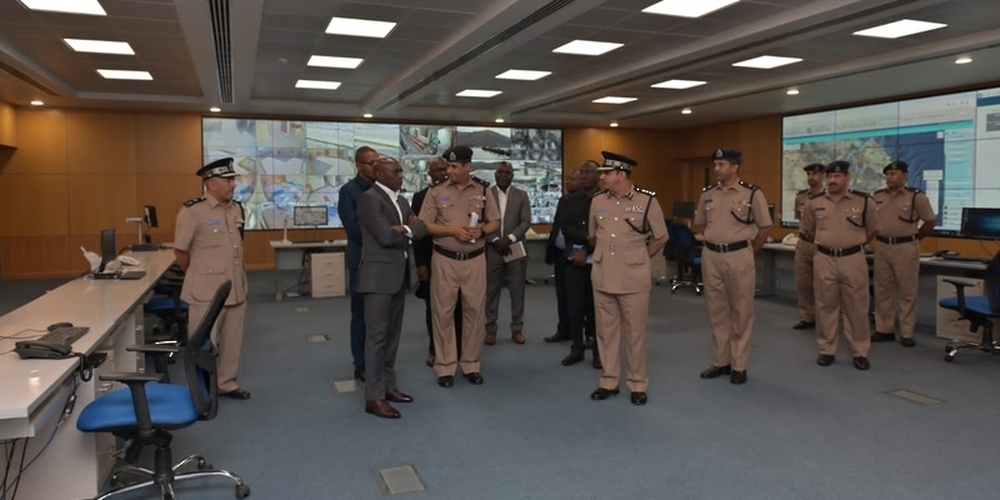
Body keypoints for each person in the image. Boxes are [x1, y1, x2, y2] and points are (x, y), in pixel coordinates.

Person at [588, 151, 668, 406]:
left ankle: (637, 383)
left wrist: (641, 257)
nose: (602, 178)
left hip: (633, 278)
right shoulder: (598, 200)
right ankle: (609, 381)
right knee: (606, 332)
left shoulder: (647, 202)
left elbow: (661, 236)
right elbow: (593, 235)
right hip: (603, 275)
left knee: (635, 333)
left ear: (621, 174)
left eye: (606, 174)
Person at [418, 146, 500, 388]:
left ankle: (471, 364)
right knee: (443, 313)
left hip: (475, 259)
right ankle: (444, 366)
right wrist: (452, 230)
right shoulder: (436, 192)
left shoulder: (483, 189)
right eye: (448, 166)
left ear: (467, 166)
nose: (449, 171)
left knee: (474, 312)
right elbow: (424, 225)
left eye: (454, 167)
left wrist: (482, 230)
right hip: (444, 260)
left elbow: (495, 220)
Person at [694, 148, 773, 385]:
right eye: (715, 164)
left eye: (721, 164)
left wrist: (749, 251)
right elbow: (699, 224)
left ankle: (739, 365)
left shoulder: (751, 193)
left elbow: (765, 228)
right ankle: (721, 361)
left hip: (739, 255)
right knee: (716, 311)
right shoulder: (708, 194)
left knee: (741, 310)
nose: (716, 169)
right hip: (712, 256)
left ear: (734, 166)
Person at [356, 157, 427, 419]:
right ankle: (373, 397)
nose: (401, 175)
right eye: (395, 172)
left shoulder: (401, 200)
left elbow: (421, 230)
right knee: (376, 338)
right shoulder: (370, 199)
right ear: (380, 175)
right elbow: (385, 237)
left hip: (398, 276)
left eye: (400, 171)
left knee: (392, 337)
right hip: (377, 278)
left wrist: (405, 228)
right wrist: (410, 229)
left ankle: (388, 386)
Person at [174, 157, 250, 399]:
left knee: (232, 341)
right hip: (205, 291)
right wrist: (195, 275)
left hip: (235, 287)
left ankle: (226, 383)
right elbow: (181, 251)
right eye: (227, 180)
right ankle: (201, 389)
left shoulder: (236, 208)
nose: (232, 185)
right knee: (204, 343)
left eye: (232, 180)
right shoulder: (192, 211)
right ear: (211, 184)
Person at [800, 160, 879, 370]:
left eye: (837, 177)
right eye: (830, 177)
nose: (833, 181)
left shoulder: (863, 201)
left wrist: (852, 243)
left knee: (857, 307)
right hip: (824, 258)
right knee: (825, 306)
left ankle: (859, 351)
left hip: (853, 259)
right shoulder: (814, 202)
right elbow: (809, 229)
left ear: (847, 177)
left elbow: (872, 230)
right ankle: (826, 350)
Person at [872, 160, 936, 347]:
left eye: (894, 174)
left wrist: (915, 238)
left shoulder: (916, 197)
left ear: (905, 175)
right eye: (887, 174)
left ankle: (907, 332)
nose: (889, 177)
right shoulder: (877, 196)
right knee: (882, 290)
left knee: (907, 291)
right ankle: (884, 329)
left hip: (906, 247)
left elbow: (930, 222)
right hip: (882, 246)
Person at [412, 158, 463, 368]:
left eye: (446, 168)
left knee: (460, 308)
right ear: (430, 174)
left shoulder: (462, 193)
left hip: (459, 261)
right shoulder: (421, 197)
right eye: (438, 170)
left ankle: (459, 351)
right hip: (433, 261)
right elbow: (419, 234)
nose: (443, 172)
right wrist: (421, 264)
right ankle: (435, 350)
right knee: (435, 309)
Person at [554, 164, 601, 368]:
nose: (582, 176)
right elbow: (566, 228)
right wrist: (587, 241)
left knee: (597, 309)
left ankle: (599, 352)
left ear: (599, 176)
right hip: (574, 260)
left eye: (587, 172)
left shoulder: (606, 201)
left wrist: (587, 249)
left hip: (599, 261)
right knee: (574, 307)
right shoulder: (569, 201)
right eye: (580, 172)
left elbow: (605, 232)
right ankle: (576, 348)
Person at [339, 146, 378, 382]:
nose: (375, 166)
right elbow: (354, 228)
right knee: (361, 315)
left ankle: (378, 360)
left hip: (384, 263)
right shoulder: (349, 191)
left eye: (377, 162)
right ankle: (360, 363)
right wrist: (385, 234)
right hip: (361, 260)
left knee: (381, 317)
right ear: (359, 165)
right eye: (370, 163)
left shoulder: (383, 190)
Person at [485, 161, 532, 346]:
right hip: (493, 249)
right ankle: (490, 330)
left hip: (515, 248)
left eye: (507, 172)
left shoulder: (521, 195)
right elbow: (482, 221)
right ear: (495, 174)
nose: (503, 175)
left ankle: (517, 328)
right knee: (491, 291)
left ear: (512, 176)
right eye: (500, 172)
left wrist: (509, 239)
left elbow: (526, 221)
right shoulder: (486, 194)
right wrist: (496, 240)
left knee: (517, 290)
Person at [542, 171, 582, 343]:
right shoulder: (564, 200)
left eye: (572, 179)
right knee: (562, 295)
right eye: (566, 178)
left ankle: (581, 334)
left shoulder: (586, 203)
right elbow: (557, 227)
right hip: (560, 253)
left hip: (576, 254)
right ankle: (563, 329)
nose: (568, 182)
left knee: (578, 298)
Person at [792, 163, 827, 330]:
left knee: (824, 284)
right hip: (804, 243)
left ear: (823, 176)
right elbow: (800, 219)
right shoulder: (801, 197)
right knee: (803, 283)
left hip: (822, 245)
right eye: (809, 174)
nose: (811, 177)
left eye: (815, 174)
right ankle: (807, 317)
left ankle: (825, 318)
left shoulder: (828, 197)